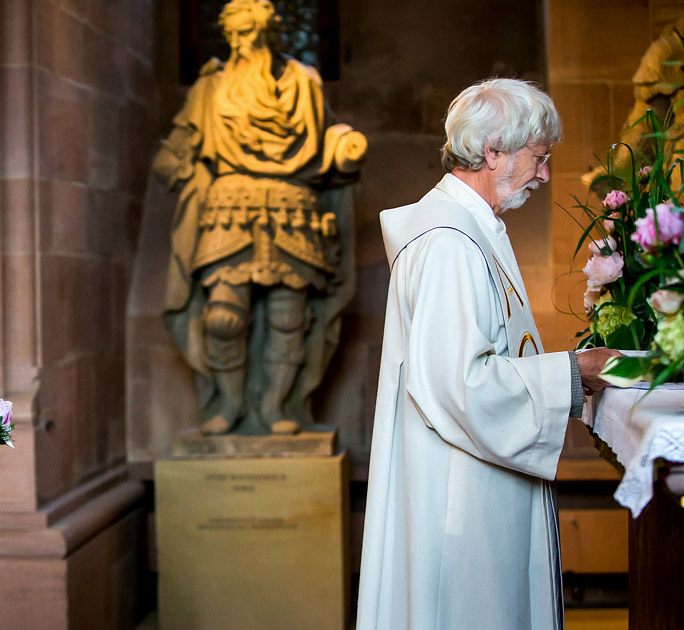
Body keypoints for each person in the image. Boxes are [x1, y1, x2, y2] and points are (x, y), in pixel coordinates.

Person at [355, 79, 621, 630]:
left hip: (476, 477)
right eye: (540, 157)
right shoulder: (449, 243)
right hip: (463, 494)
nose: (546, 175)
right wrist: (574, 372)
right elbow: (461, 385)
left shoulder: (473, 230)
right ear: (493, 150)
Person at [153, 0, 367, 435]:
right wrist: (185, 171)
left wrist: (345, 145)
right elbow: (173, 152)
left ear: (268, 33)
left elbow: (326, 135)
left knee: (289, 318)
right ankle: (230, 405)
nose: (240, 43)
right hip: (228, 207)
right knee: (222, 318)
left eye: (248, 33)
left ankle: (275, 406)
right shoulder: (211, 86)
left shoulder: (302, 83)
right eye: (232, 35)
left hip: (293, 208)